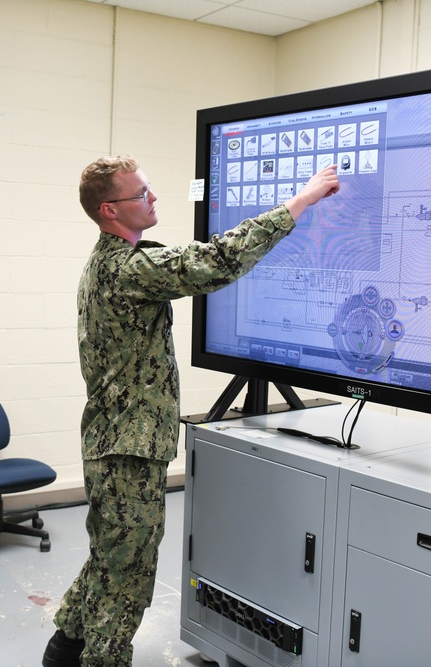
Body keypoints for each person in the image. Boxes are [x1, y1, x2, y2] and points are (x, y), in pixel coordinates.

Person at [42, 155, 341, 666]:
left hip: (114, 442)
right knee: (128, 577)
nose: (153, 198)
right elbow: (218, 260)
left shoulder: (110, 261)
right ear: (110, 210)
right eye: (141, 195)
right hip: (128, 450)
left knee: (110, 558)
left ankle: (65, 648)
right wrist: (301, 201)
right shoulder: (125, 268)